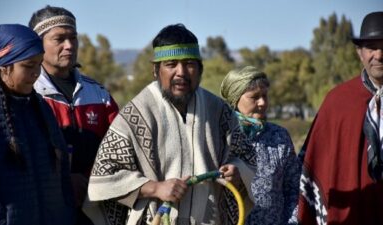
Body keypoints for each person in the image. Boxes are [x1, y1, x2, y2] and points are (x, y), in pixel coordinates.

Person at [83, 24, 254, 225]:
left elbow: (246, 158)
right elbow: (103, 177)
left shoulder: (219, 111)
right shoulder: (135, 114)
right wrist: (155, 188)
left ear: (200, 69)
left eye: (189, 63)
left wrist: (237, 170)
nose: (181, 72)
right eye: (171, 64)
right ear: (156, 70)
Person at [28, 5, 120, 225]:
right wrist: (62, 180)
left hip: (94, 207)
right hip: (44, 210)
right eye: (59, 39)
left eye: (73, 38)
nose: (69, 46)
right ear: (38, 43)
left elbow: (121, 146)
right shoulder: (28, 92)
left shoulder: (98, 93)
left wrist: (91, 180)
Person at [0, 24, 74, 225]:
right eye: (28, 65)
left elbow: (62, 172)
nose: (36, 73)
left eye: (39, 64)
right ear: (4, 66)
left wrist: (66, 212)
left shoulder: (40, 107)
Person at [298, 11, 383, 225]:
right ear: (359, 53)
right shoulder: (338, 102)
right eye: (371, 48)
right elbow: (316, 164)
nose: (379, 55)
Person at [220, 66, 301, 225]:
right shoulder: (219, 137)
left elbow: (294, 189)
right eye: (254, 97)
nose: (263, 102)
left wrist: (291, 222)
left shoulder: (279, 136)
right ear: (235, 100)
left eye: (265, 95)